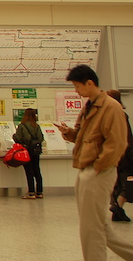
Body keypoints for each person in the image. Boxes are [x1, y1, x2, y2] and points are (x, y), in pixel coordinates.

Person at [57, 64, 133, 261]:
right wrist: (69, 134)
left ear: (89, 83)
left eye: (77, 86)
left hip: (99, 170)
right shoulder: (89, 106)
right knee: (97, 224)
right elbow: (84, 137)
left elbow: (117, 142)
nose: (76, 91)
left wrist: (99, 166)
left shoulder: (111, 107)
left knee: (92, 227)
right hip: (85, 168)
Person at [107, 89, 133, 221]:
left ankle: (116, 208)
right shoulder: (122, 115)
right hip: (124, 156)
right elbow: (128, 138)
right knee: (127, 183)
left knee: (117, 183)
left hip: (113, 155)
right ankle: (118, 206)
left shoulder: (108, 116)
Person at [13, 108, 44, 200]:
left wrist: (14, 136)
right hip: (36, 150)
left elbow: (18, 138)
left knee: (29, 171)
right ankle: (39, 192)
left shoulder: (22, 126)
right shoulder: (37, 126)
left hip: (26, 151)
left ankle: (31, 192)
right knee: (37, 171)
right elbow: (41, 138)